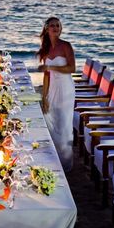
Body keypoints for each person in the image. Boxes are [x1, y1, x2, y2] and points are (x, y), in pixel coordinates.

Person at [37, 16, 75, 172]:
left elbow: (72, 68)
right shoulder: (45, 49)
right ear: (47, 29)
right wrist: (44, 97)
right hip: (52, 88)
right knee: (49, 119)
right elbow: (46, 76)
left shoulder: (66, 46)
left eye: (58, 25)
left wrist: (51, 69)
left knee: (64, 124)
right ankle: (53, 160)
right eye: (52, 25)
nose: (55, 28)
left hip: (65, 88)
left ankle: (66, 164)